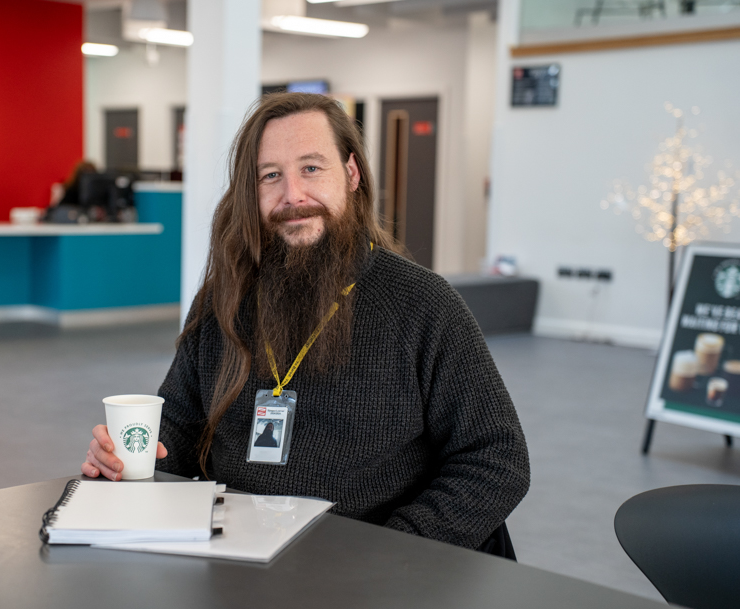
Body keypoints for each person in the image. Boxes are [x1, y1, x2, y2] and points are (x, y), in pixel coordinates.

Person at [82, 93, 529, 555]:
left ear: (351, 174)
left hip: (364, 567)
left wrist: (397, 550)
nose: (292, 195)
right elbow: (178, 428)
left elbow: (497, 458)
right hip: (235, 560)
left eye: (311, 168)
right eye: (270, 175)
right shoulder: (223, 300)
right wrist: (129, 455)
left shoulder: (423, 304)